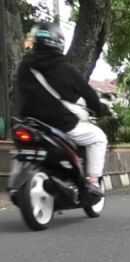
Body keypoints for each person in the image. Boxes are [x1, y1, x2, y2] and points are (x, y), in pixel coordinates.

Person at [15, 23, 109, 197]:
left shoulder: (23, 66)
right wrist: (100, 109)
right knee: (98, 138)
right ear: (58, 42)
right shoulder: (64, 68)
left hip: (29, 123)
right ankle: (93, 181)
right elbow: (89, 95)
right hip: (61, 124)